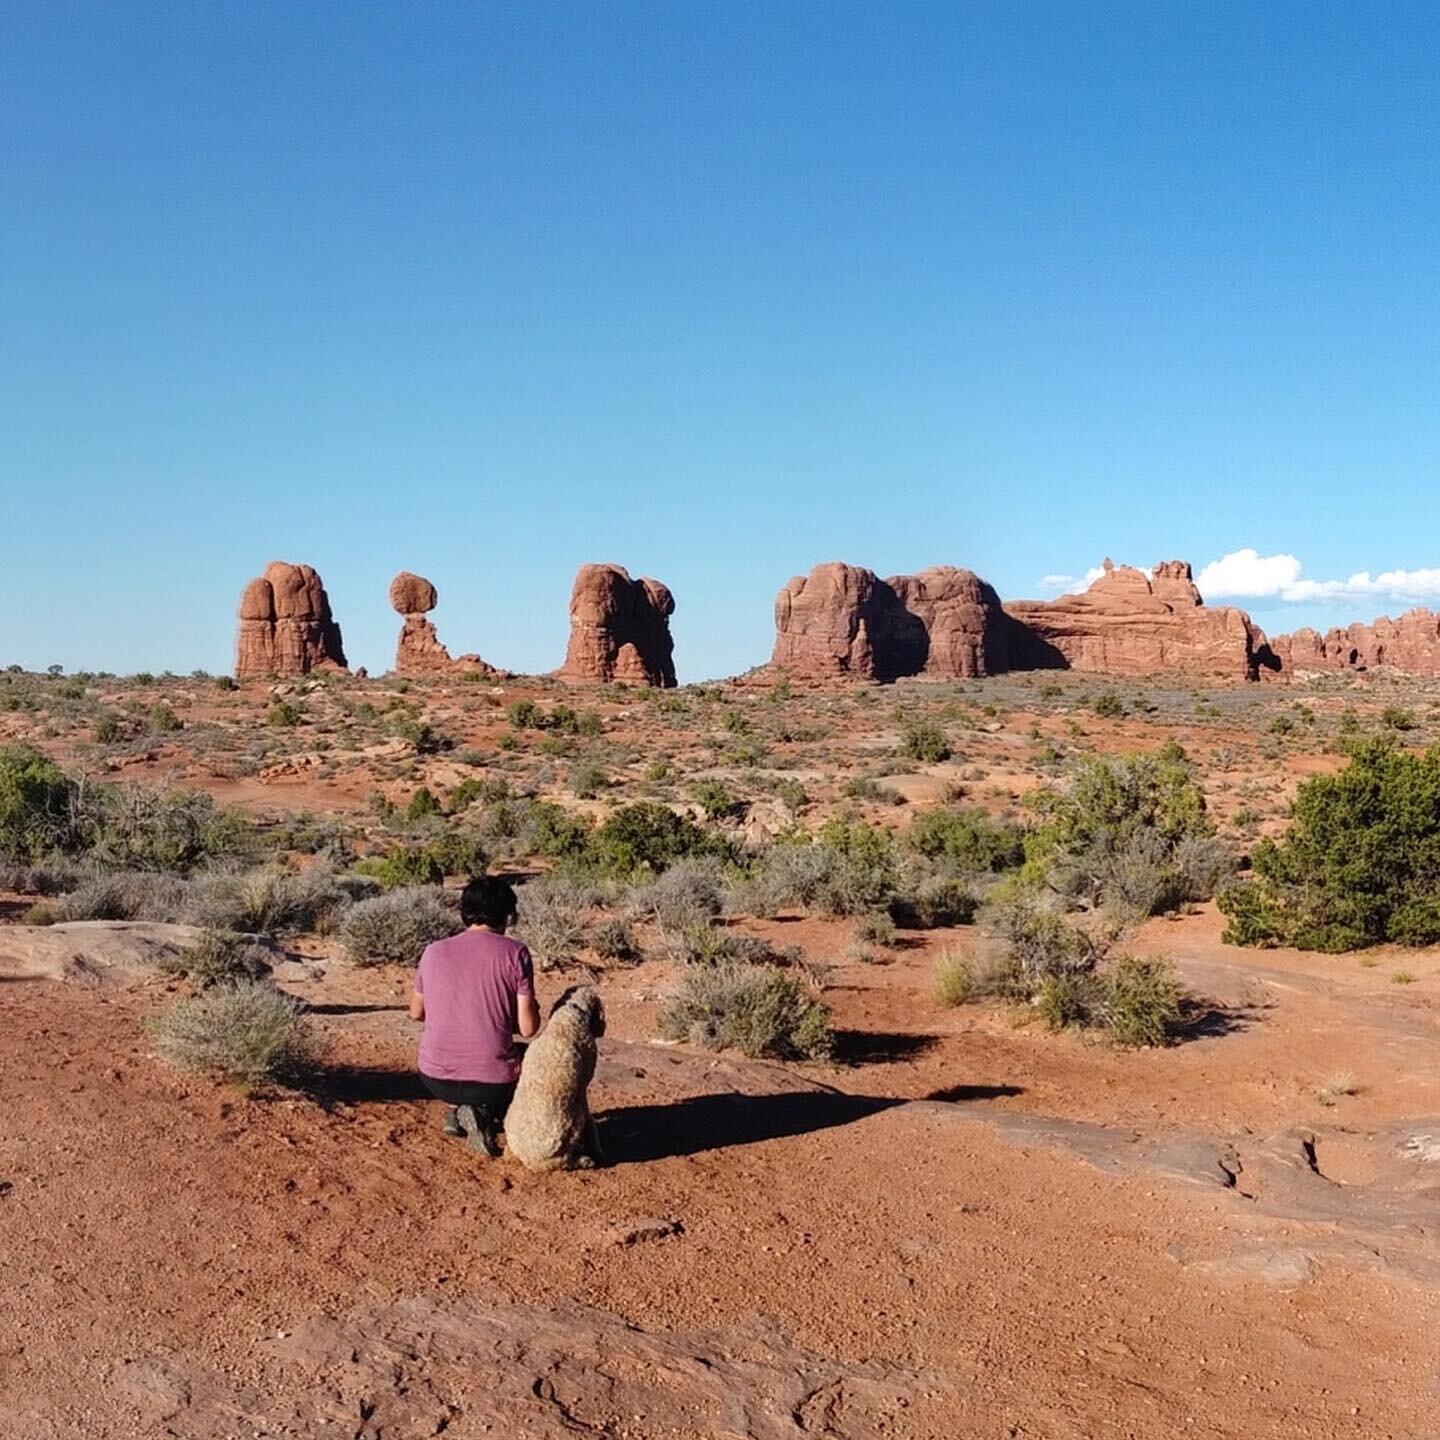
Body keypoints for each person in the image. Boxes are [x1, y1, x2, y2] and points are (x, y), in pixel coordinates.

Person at [409, 875, 540, 1156]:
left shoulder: (432, 951)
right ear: (508, 914)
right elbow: (528, 1029)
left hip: (434, 1077)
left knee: (462, 1050)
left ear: (464, 912)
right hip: (493, 1082)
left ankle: (458, 1111)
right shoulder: (516, 953)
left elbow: (416, 1012)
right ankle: (488, 1115)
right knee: (529, 1055)